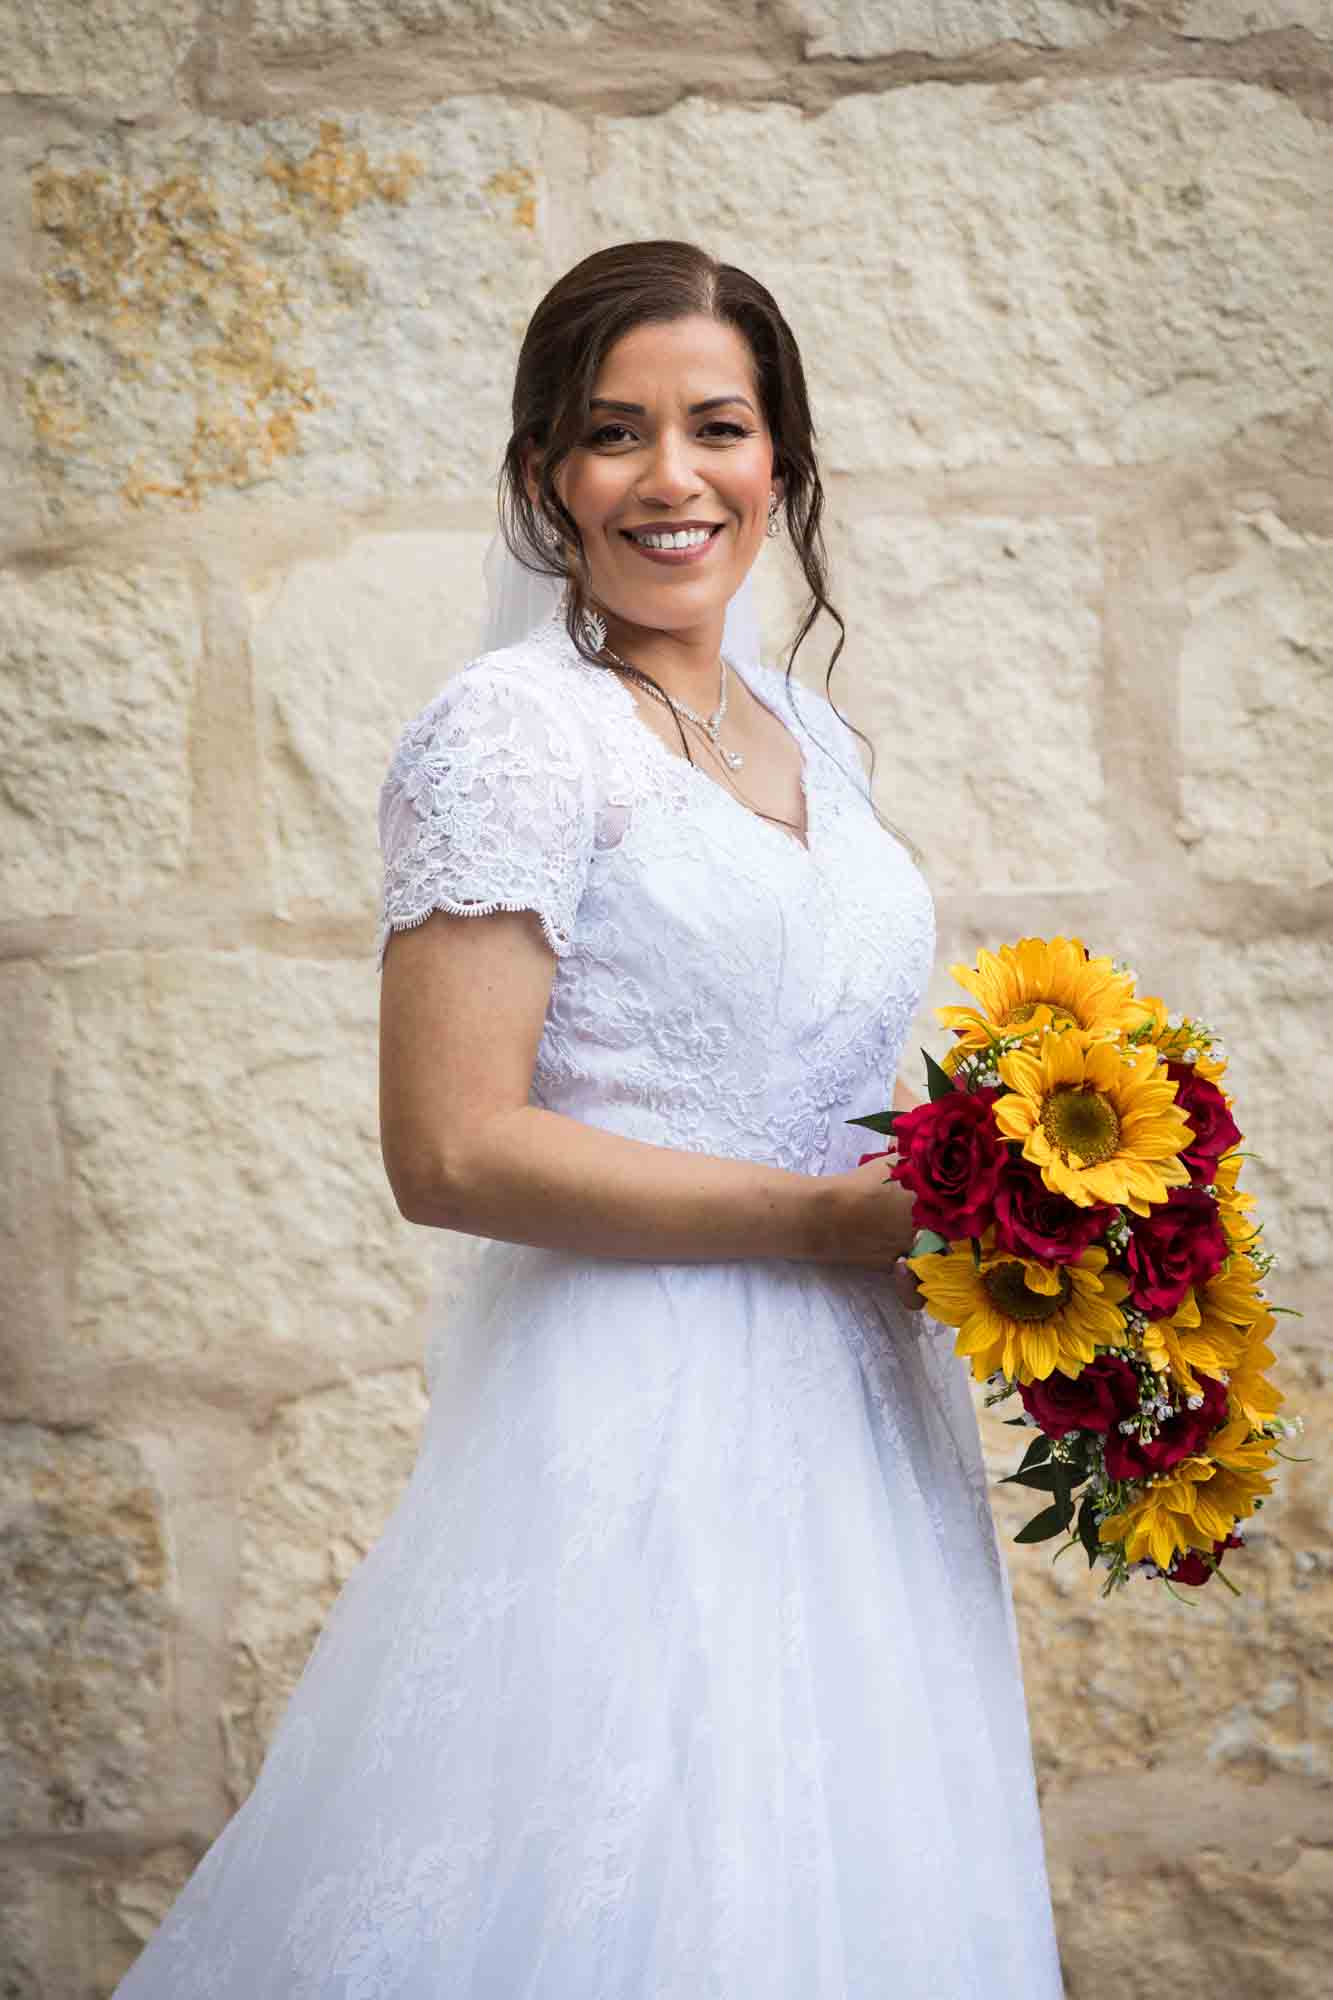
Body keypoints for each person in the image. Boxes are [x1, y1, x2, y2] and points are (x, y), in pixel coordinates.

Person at [113, 240, 1065, 1997]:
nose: (670, 477)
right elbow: (450, 1149)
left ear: (777, 457)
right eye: (614, 433)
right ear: (548, 472)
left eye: (717, 425)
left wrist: (1024, 1190)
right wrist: (827, 1221)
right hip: (638, 1413)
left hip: (865, 1413)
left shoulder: (808, 734)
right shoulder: (513, 734)